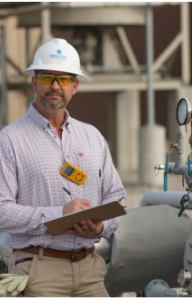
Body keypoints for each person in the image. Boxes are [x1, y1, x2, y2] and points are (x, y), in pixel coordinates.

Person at [0, 38, 127, 297]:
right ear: (34, 82)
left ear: (75, 86)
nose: (56, 86)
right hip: (39, 272)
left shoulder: (92, 137)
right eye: (48, 77)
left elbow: (117, 197)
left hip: (91, 271)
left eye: (65, 79)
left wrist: (101, 227)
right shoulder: (9, 140)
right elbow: (1, 211)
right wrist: (58, 216)